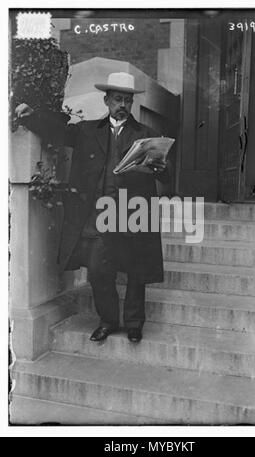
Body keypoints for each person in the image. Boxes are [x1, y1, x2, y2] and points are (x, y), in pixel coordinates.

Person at [15, 72, 170, 344]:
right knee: (98, 270)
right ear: (107, 100)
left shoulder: (146, 135)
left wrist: (161, 168)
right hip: (98, 216)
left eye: (128, 100)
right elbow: (58, 130)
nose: (123, 105)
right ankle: (108, 320)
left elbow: (165, 176)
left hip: (132, 212)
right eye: (118, 99)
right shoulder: (87, 130)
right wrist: (30, 116)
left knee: (136, 270)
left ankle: (134, 324)